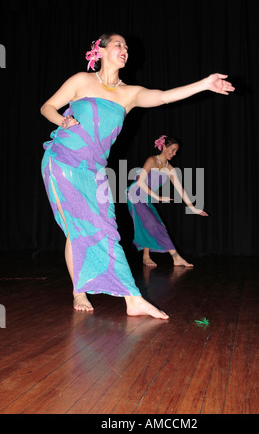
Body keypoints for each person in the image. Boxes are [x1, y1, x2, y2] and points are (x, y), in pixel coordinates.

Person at [40, 32, 235, 319]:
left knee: (104, 229)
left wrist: (205, 84)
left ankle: (130, 300)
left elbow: (165, 96)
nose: (125, 50)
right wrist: (63, 120)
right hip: (63, 161)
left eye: (127, 47)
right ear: (100, 50)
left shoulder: (129, 94)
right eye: (119, 45)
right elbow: (46, 107)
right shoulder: (81, 81)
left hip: (94, 171)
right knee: (77, 226)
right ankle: (87, 291)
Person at [127, 135, 208, 268]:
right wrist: (158, 198)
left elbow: (180, 189)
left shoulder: (169, 168)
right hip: (134, 195)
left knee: (155, 224)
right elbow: (140, 182)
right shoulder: (152, 160)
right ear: (164, 147)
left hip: (146, 197)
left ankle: (147, 256)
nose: (174, 153)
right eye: (172, 150)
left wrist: (192, 207)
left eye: (176, 151)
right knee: (152, 224)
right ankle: (176, 257)